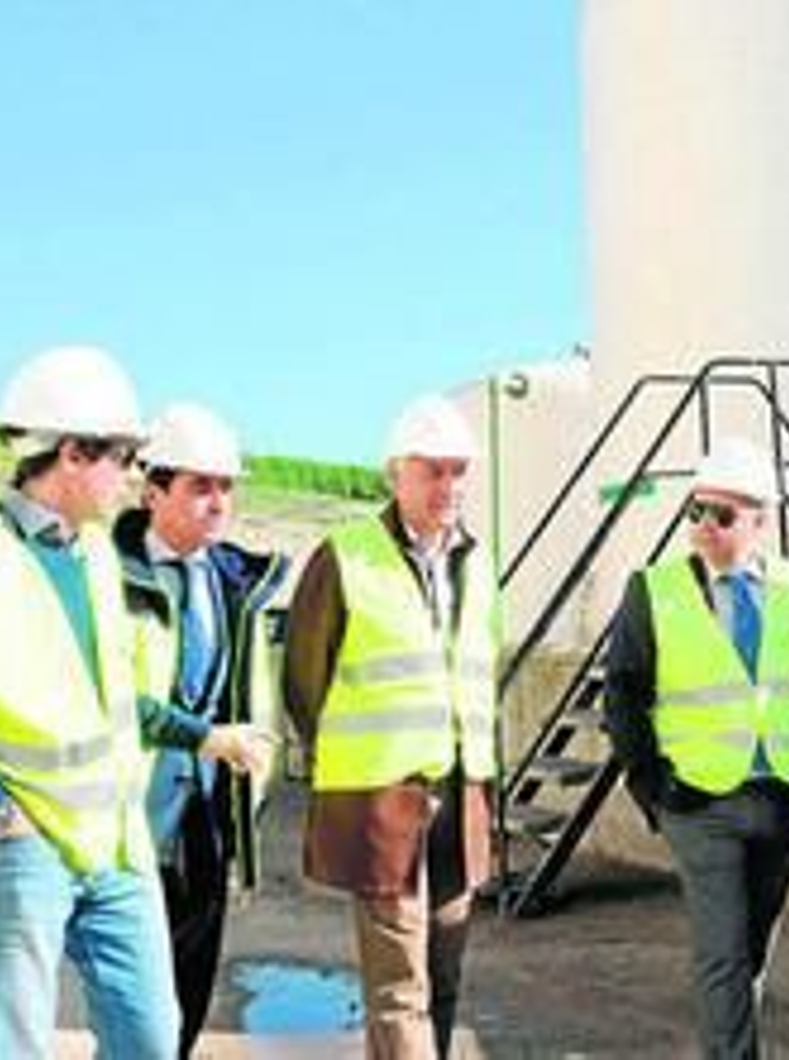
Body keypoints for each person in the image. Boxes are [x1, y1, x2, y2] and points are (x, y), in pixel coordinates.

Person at [0, 346, 269, 1058]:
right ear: (74, 454)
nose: (134, 474)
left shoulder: (97, 555)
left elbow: (115, 699)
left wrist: (204, 737)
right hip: (18, 848)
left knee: (151, 1036)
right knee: (16, 1046)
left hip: (113, 842)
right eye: (126, 455)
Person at [604, 435, 789, 1060]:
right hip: (699, 803)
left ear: (762, 521)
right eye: (696, 511)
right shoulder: (652, 590)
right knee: (722, 953)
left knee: (752, 949)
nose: (705, 526)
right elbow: (623, 695)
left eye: (723, 514)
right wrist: (653, 787)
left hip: (783, 799)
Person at [283, 393, 498, 1059]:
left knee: (444, 973)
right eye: (432, 470)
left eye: (458, 471)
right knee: (400, 988)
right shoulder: (344, 557)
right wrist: (354, 758)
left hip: (460, 797)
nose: (448, 486)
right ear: (394, 474)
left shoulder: (478, 562)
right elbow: (303, 681)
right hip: (383, 800)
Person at [113, 401, 290, 1057]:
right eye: (199, 487)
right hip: (129, 821)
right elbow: (104, 698)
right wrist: (206, 738)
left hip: (209, 821)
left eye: (226, 486)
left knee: (188, 993)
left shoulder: (236, 580)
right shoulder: (106, 575)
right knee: (134, 1007)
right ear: (153, 490)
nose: (218, 502)